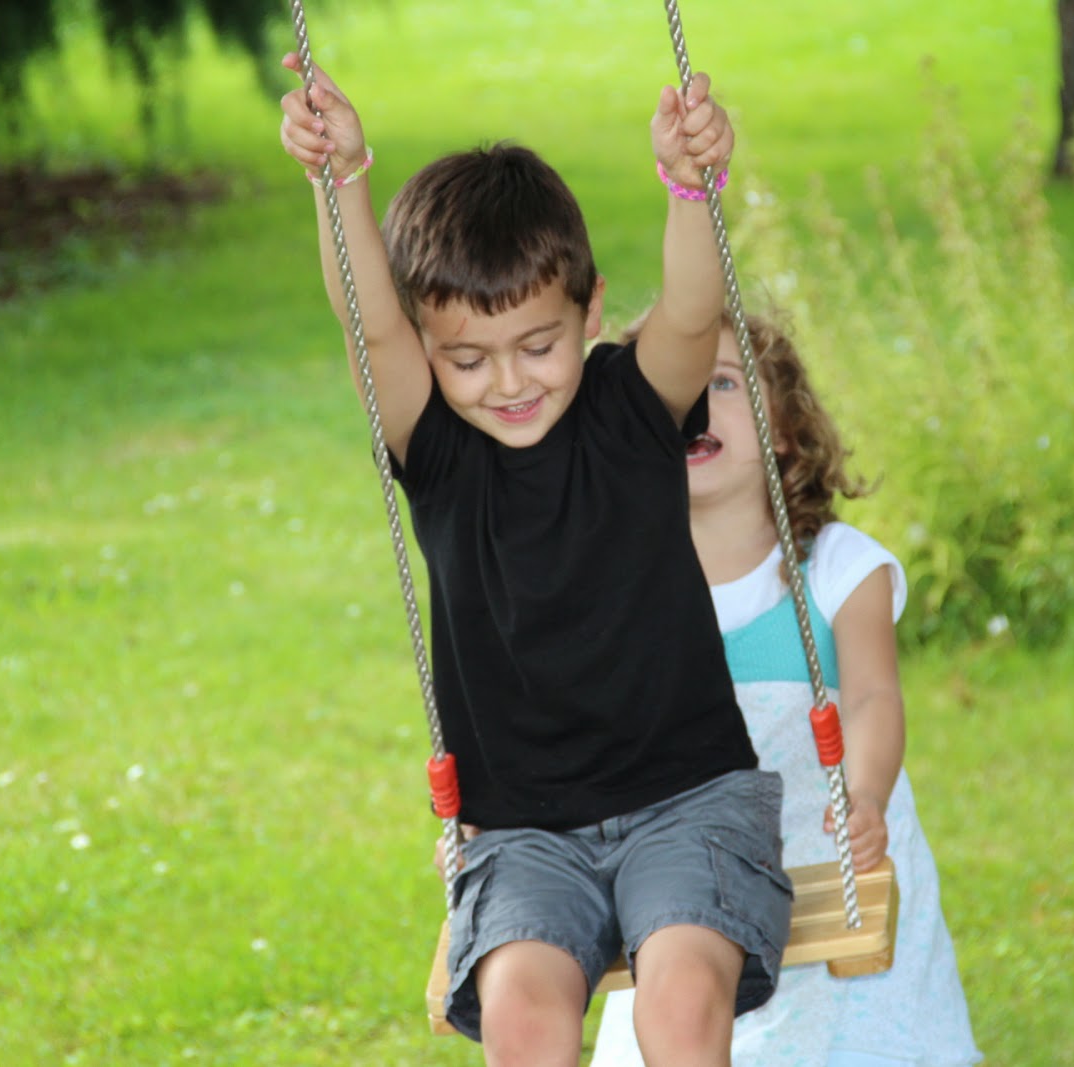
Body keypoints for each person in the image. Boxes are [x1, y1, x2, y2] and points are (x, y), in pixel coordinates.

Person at [277, 55, 792, 1067]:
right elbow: (368, 321)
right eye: (467, 359)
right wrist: (341, 182)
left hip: (688, 799)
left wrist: (690, 188)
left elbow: (694, 312)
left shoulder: (632, 410)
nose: (508, 381)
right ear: (429, 351)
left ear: (591, 312)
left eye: (538, 344)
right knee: (521, 1017)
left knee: (681, 1004)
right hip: (521, 833)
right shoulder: (439, 453)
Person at [591, 311, 982, 1066]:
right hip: (692, 898)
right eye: (668, 388)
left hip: (835, 867)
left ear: (783, 430)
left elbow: (871, 698)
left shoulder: (837, 568)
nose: (694, 402)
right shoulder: (624, 593)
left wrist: (865, 793)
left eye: (722, 383)